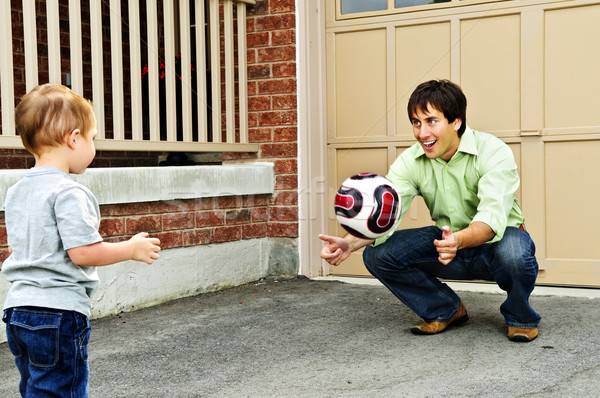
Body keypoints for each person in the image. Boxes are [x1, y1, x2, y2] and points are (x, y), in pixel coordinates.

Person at [320, 79, 540, 342]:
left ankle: (520, 315)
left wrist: (458, 240)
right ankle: (445, 309)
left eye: (431, 121)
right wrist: (348, 244)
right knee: (378, 254)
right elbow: (385, 216)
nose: (422, 133)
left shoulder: (493, 152)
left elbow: (491, 220)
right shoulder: (410, 161)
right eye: (416, 122)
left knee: (515, 251)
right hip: (447, 244)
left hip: (496, 244)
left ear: (456, 121)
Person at [1, 83, 162, 397]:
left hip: (17, 312)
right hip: (57, 313)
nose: (93, 146)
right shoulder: (68, 191)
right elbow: (83, 253)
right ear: (73, 138)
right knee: (61, 391)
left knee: (37, 388)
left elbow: (15, 247)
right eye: (92, 138)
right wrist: (131, 248)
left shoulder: (17, 191)